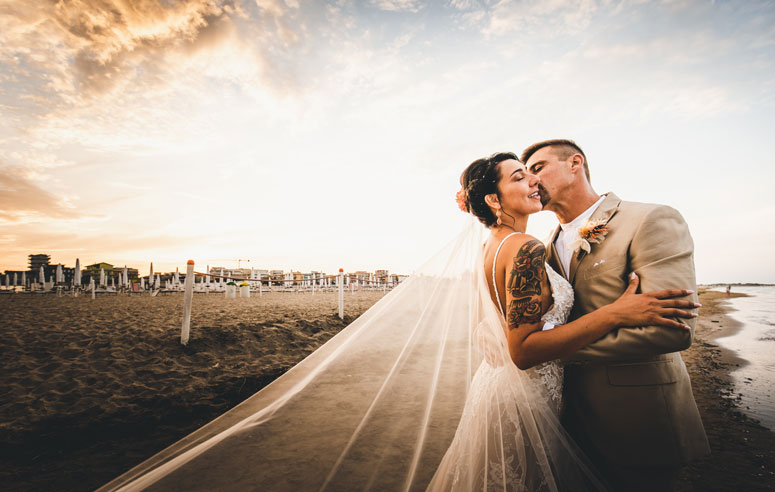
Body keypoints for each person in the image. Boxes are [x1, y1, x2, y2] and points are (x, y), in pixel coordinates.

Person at [100, 153, 697, 492]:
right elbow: (521, 349)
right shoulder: (525, 251)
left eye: (530, 173)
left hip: (503, 391)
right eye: (518, 176)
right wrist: (620, 311)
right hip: (523, 390)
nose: (530, 182)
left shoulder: (494, 247)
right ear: (492, 199)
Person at [521, 139, 710, 492]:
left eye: (537, 168)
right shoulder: (543, 246)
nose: (530, 181)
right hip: (565, 424)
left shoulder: (649, 219)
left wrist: (553, 353)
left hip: (637, 420)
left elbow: (675, 330)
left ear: (575, 163)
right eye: (525, 175)